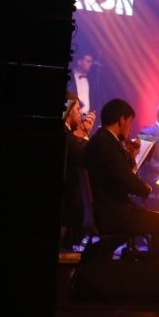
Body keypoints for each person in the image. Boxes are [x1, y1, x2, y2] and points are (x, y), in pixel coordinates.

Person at [81, 98, 159, 262]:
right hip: (115, 215)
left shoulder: (99, 140)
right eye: (129, 122)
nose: (130, 128)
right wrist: (145, 188)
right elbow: (127, 181)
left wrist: (131, 157)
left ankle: (156, 265)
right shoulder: (107, 145)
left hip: (104, 210)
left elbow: (119, 175)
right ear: (122, 120)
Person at [61, 90, 96, 250]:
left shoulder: (68, 134)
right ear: (68, 111)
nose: (80, 114)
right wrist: (86, 135)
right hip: (68, 203)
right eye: (77, 109)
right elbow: (85, 160)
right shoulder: (66, 134)